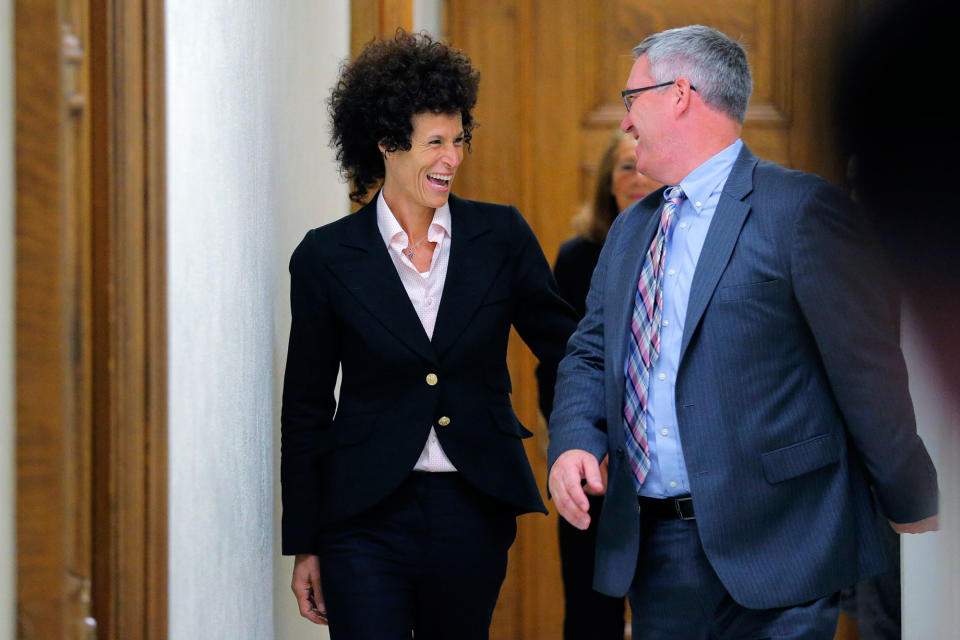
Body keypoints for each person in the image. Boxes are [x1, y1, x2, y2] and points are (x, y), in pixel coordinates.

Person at [546, 25, 939, 640]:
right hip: (658, 553)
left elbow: (865, 369)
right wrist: (573, 441)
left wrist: (913, 497)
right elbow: (590, 354)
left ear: (679, 94)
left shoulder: (801, 212)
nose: (625, 123)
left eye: (631, 101)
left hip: (785, 544)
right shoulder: (628, 232)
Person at [280, 30, 578, 639]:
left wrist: (583, 435)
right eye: (434, 143)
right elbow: (306, 406)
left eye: (459, 140)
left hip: (472, 507)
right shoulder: (326, 257)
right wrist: (304, 543)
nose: (452, 158)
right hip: (363, 517)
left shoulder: (502, 237)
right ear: (387, 144)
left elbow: (569, 350)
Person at [541, 130, 660, 640]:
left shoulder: (676, 244)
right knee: (591, 611)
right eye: (624, 168)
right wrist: (581, 444)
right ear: (608, 184)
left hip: (662, 461)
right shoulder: (577, 256)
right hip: (593, 467)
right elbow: (562, 363)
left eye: (643, 165)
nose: (636, 177)